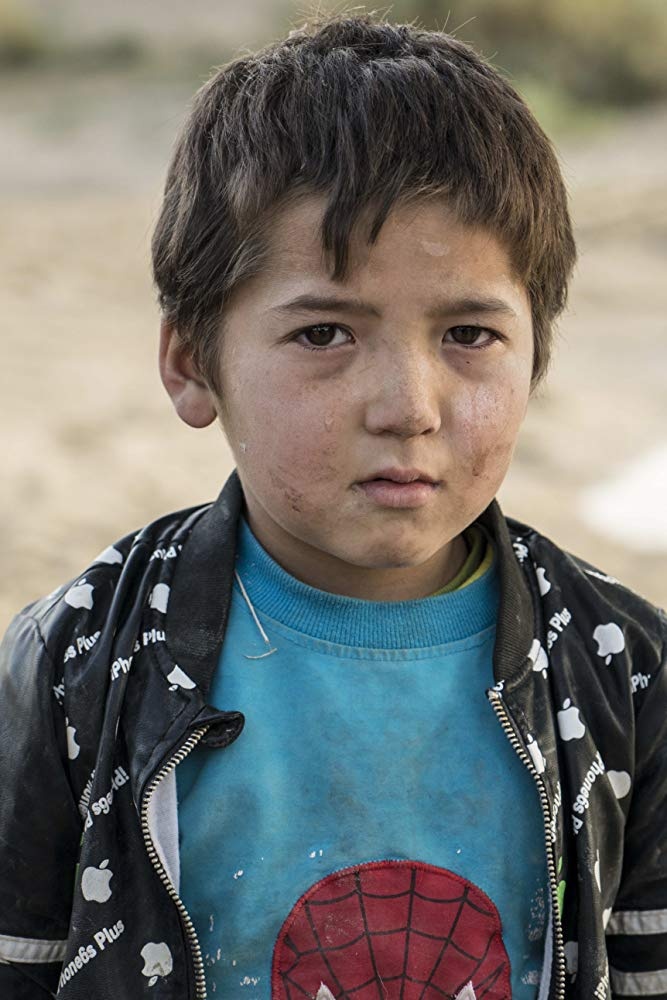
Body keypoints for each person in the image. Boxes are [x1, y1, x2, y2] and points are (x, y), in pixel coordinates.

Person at [0, 11, 665, 1000]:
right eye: (324, 334)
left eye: (469, 335)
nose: (408, 406)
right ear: (191, 362)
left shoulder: (623, 671)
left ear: (537, 355)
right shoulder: (81, 661)